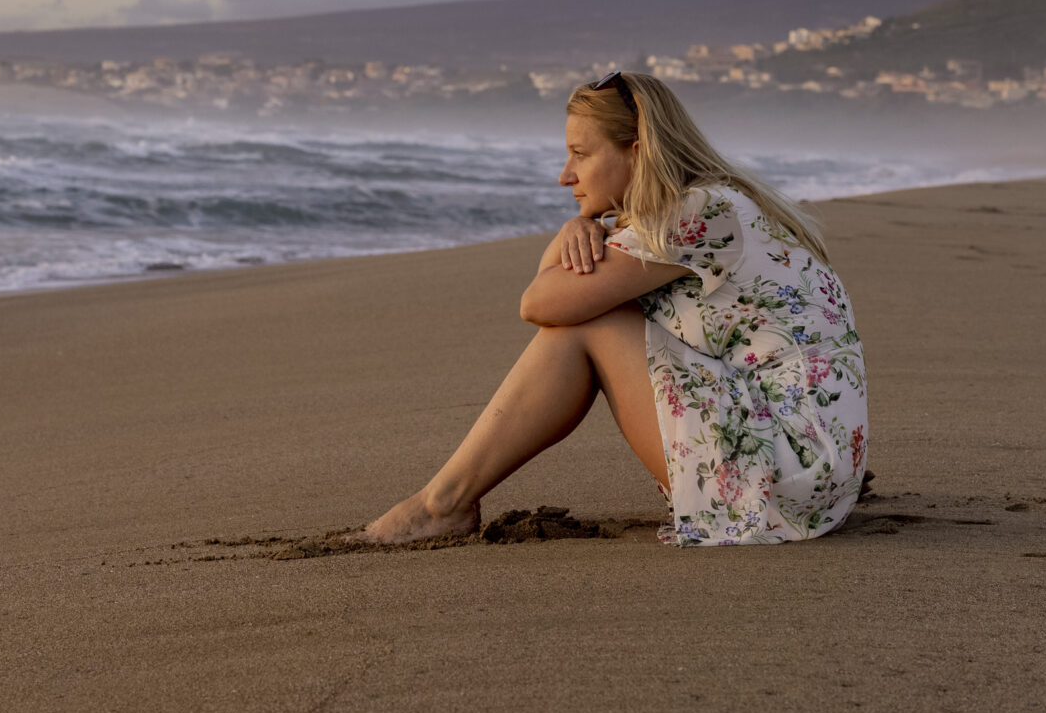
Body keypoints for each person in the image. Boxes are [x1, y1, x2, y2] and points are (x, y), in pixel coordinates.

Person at [353, 71, 868, 547]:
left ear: (638, 153)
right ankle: (443, 501)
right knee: (588, 319)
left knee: (588, 327)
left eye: (580, 153)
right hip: (810, 471)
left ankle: (442, 503)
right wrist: (580, 229)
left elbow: (540, 304)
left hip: (785, 478)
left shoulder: (698, 214)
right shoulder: (712, 205)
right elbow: (549, 301)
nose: (564, 175)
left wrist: (572, 233)